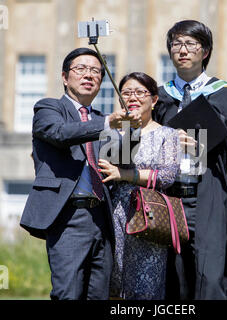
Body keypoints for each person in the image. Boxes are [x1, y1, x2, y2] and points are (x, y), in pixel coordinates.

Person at [152, 20, 227, 300]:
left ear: (205, 51)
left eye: (191, 44)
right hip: (169, 195)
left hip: (212, 193)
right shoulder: (158, 97)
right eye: (176, 44)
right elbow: (136, 148)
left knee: (212, 275)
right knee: (174, 276)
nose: (183, 50)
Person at [20, 47, 141, 300]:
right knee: (69, 293)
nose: (89, 75)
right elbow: (60, 134)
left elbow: (120, 160)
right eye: (81, 69)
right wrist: (108, 123)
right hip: (68, 217)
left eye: (96, 71)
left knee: (99, 294)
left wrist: (131, 130)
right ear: (65, 77)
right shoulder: (48, 109)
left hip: (101, 216)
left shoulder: (100, 119)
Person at [98, 72, 181, 299]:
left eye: (139, 92)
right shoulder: (112, 133)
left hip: (150, 215)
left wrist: (124, 174)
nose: (132, 97)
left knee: (146, 285)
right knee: (113, 282)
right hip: (115, 213)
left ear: (154, 100)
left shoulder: (168, 134)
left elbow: (167, 176)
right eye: (126, 92)